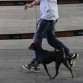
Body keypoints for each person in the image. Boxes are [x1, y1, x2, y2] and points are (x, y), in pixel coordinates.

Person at [23, 0, 79, 72]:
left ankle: (35, 62)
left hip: (47, 16)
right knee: (51, 40)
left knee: (37, 38)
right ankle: (71, 54)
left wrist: (31, 4)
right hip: (52, 15)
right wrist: (31, 4)